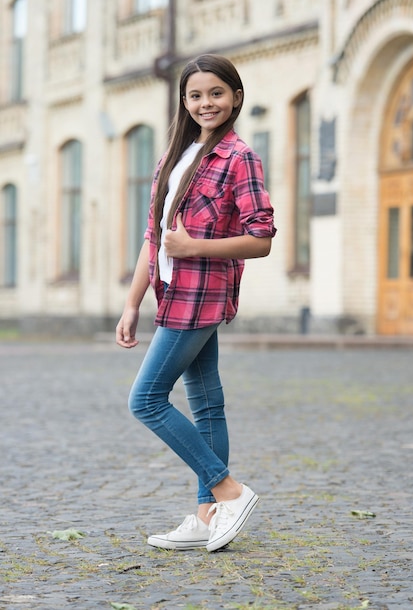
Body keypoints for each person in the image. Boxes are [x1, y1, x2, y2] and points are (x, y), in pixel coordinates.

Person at [116, 53, 276, 552]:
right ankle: (208, 515)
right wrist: (132, 302)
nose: (206, 103)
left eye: (216, 93)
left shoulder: (239, 158)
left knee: (145, 400)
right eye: (195, 95)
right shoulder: (173, 157)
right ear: (184, 102)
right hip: (170, 295)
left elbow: (262, 237)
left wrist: (195, 247)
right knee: (207, 403)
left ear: (235, 97)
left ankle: (228, 490)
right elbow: (153, 237)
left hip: (200, 297)